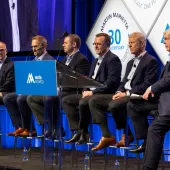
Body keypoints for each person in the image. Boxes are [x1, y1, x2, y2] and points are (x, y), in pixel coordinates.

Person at [89, 32, 159, 151]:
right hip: (124, 94)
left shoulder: (151, 61)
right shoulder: (130, 62)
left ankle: (130, 135)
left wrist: (126, 93)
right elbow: (124, 82)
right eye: (128, 43)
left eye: (132, 43)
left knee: (114, 105)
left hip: (138, 96)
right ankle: (117, 134)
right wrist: (119, 91)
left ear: (142, 43)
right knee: (94, 100)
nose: (129, 46)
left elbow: (147, 84)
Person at [62, 33, 122, 144]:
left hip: (105, 93)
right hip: (93, 93)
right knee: (66, 100)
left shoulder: (113, 59)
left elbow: (111, 83)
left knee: (85, 101)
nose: (95, 46)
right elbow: (88, 80)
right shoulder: (95, 60)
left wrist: (93, 92)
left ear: (107, 45)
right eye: (94, 44)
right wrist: (85, 90)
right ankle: (78, 131)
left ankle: (85, 132)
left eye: (99, 44)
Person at [27, 34, 89, 138]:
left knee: (48, 97)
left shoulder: (81, 59)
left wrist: (58, 87)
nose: (63, 45)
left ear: (73, 44)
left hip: (71, 92)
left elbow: (80, 81)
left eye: (65, 43)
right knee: (31, 98)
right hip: (60, 90)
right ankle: (52, 126)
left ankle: (53, 128)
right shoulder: (64, 60)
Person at [4, 35, 54, 137]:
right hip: (31, 90)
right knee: (8, 97)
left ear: (44, 46)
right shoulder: (32, 61)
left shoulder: (50, 61)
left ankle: (29, 128)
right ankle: (21, 126)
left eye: (35, 46)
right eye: (32, 46)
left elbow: (48, 82)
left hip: (42, 92)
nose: (33, 49)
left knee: (21, 98)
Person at [142, 28, 170, 170]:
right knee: (135, 107)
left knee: (155, 129)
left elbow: (169, 80)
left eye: (166, 39)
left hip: (168, 109)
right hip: (163, 105)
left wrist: (152, 88)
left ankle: (148, 167)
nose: (164, 42)